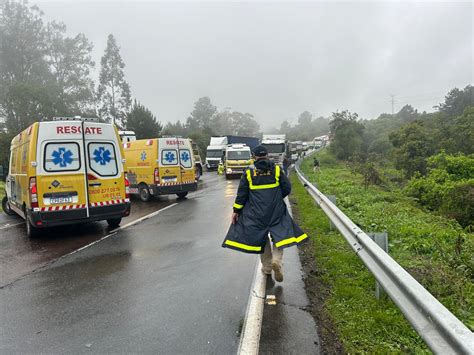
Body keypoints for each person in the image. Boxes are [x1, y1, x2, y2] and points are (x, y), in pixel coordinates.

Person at [222, 145, 308, 282]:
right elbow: (287, 187)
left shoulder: (249, 173)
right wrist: (277, 198)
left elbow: (242, 195)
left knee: (262, 237)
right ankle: (277, 261)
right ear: (267, 155)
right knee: (280, 235)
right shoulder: (277, 170)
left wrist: (236, 211)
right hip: (276, 211)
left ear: (254, 156)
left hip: (256, 213)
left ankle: (267, 268)